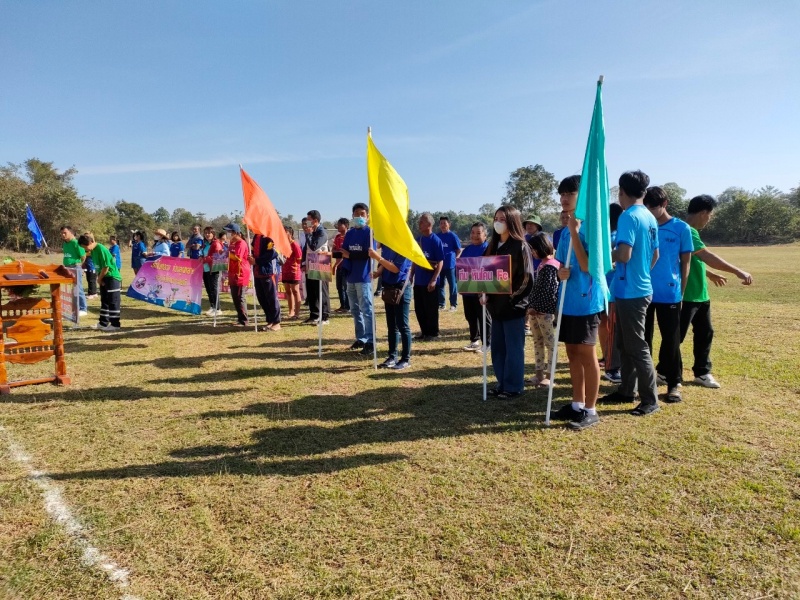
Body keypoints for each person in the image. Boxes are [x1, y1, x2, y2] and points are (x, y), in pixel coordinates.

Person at [600, 170, 661, 418]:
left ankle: (650, 400)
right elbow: (655, 254)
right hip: (639, 288)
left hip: (631, 292)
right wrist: (642, 273)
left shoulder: (628, 216)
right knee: (624, 344)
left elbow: (623, 255)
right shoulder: (649, 216)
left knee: (636, 346)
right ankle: (626, 390)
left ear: (621, 192)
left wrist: (603, 256)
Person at [549, 175, 606, 429]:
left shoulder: (590, 227)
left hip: (586, 301)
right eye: (561, 194)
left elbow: (587, 265)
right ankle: (576, 404)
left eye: (569, 194)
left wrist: (574, 231)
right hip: (567, 300)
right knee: (572, 352)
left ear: (581, 196)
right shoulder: (563, 232)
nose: (564, 198)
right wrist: (560, 272)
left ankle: (591, 410)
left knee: (586, 353)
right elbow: (563, 264)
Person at [681, 194, 753, 388]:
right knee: (676, 337)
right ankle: (666, 372)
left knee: (705, 333)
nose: (709, 219)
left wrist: (709, 274)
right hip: (686, 294)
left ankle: (702, 372)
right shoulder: (687, 230)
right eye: (710, 215)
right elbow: (707, 256)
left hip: (700, 293)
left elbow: (694, 259)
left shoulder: (688, 230)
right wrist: (738, 271)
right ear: (704, 213)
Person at [643, 186, 693, 403]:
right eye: (646, 207)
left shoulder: (681, 228)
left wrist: (681, 292)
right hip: (644, 291)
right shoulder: (645, 225)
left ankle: (674, 384)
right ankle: (645, 383)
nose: (650, 211)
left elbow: (686, 262)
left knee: (671, 340)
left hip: (669, 293)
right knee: (644, 339)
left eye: (653, 207)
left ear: (664, 204)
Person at [481, 205, 533, 399]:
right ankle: (502, 383)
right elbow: (484, 274)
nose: (498, 222)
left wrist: (512, 298)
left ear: (512, 221)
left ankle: (513, 386)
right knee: (498, 349)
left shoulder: (520, 246)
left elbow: (527, 279)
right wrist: (483, 293)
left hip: (513, 307)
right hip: (495, 308)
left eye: (502, 219)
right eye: (496, 219)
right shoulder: (492, 246)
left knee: (513, 349)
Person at [341, 203, 375, 355]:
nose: (359, 217)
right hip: (351, 277)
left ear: (367, 216)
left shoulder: (369, 233)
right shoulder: (349, 234)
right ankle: (361, 338)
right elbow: (344, 252)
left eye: (362, 214)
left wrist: (350, 255)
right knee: (355, 310)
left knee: (366, 310)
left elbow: (368, 253)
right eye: (357, 214)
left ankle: (371, 341)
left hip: (364, 277)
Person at [371, 244, 412, 370]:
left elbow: (395, 269)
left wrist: (377, 257)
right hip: (389, 288)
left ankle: (405, 359)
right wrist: (378, 273)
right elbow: (385, 262)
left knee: (402, 325)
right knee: (392, 326)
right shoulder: (388, 246)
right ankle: (392, 356)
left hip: (401, 289)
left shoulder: (404, 247)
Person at [526, 232, 559, 388]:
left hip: (544, 312)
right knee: (537, 341)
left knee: (550, 343)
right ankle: (538, 374)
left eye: (533, 249)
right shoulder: (542, 265)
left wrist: (537, 307)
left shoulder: (550, 266)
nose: (532, 252)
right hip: (534, 311)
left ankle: (550, 376)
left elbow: (549, 291)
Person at [410, 213, 444, 340]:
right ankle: (424, 332)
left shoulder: (436, 240)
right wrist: (411, 274)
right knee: (419, 308)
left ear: (429, 224)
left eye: (422, 222)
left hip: (430, 281)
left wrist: (434, 279)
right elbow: (415, 260)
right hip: (419, 281)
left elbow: (440, 261)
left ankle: (433, 333)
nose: (419, 224)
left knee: (431, 308)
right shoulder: (418, 240)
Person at [78, 233, 122, 331]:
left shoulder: (101, 249)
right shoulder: (92, 251)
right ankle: (103, 323)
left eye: (85, 247)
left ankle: (115, 324)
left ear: (91, 242)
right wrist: (100, 279)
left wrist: (99, 279)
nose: (85, 249)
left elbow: (106, 267)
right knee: (104, 301)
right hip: (103, 277)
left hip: (112, 277)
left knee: (113, 301)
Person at [600, 204, 624, 384]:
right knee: (609, 324)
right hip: (611, 286)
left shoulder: (606, 234)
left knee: (606, 323)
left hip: (605, 285)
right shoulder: (615, 234)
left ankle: (608, 358)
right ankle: (609, 360)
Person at [460, 222, 490, 351]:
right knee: (470, 316)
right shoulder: (467, 250)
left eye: (478, 233)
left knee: (483, 317)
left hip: (482, 290)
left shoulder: (489, 249)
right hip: (468, 289)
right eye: (473, 233)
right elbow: (460, 267)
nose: (475, 236)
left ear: (485, 235)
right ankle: (474, 340)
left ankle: (487, 343)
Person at [302, 210, 330, 324]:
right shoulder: (311, 232)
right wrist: (303, 263)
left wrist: (308, 234)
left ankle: (325, 316)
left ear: (315, 220)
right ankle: (314, 315)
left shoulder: (322, 232)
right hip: (310, 263)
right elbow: (306, 248)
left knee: (321, 290)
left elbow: (314, 247)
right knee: (311, 290)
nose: (307, 223)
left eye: (309, 220)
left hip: (320, 263)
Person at [250, 232, 281, 331]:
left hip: (268, 271)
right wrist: (251, 257)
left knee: (271, 297)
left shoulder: (270, 236)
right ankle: (270, 320)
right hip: (257, 271)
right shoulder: (256, 236)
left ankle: (276, 322)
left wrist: (257, 261)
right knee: (261, 297)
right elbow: (252, 249)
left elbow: (272, 253)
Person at [223, 223, 250, 327]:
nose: (228, 234)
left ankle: (244, 320)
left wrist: (226, 253)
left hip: (240, 272)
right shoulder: (232, 243)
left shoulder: (241, 243)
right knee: (235, 297)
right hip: (232, 272)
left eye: (229, 232)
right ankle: (240, 318)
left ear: (235, 232)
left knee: (239, 297)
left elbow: (238, 257)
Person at [59, 226, 88, 317]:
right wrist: (51, 249)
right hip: (67, 267)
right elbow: (63, 250)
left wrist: (80, 267)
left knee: (78, 288)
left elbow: (83, 256)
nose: (63, 235)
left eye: (65, 233)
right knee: (70, 289)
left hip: (75, 267)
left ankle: (83, 308)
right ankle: (75, 307)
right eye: (62, 233)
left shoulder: (76, 243)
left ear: (71, 233)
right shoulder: (65, 243)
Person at [436, 216, 462, 311]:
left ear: (449, 224)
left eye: (445, 223)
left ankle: (453, 304)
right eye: (441, 223)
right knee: (440, 284)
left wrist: (455, 259)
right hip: (440, 264)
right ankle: (442, 304)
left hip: (450, 264)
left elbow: (458, 250)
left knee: (452, 284)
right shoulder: (437, 236)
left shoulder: (453, 236)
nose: (443, 225)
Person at [200, 226, 223, 315]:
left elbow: (217, 256)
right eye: (205, 233)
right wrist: (201, 257)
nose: (207, 234)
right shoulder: (205, 244)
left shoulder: (216, 243)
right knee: (208, 289)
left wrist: (205, 259)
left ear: (213, 234)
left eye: (209, 233)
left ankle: (218, 309)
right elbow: (203, 253)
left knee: (213, 289)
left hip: (213, 269)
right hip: (205, 269)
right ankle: (212, 306)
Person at [282, 226, 303, 320]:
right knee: (287, 291)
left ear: (290, 233)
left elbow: (299, 258)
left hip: (294, 271)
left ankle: (297, 313)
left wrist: (293, 264)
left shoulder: (294, 244)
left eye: (285, 232)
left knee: (295, 291)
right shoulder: (283, 244)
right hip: (285, 270)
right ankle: (291, 311)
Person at [332, 218, 350, 313]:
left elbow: (345, 254)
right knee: (339, 286)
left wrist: (335, 264)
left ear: (346, 225)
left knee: (345, 286)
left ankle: (347, 306)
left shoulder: (349, 236)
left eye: (340, 225)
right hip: (339, 266)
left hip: (346, 266)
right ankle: (342, 306)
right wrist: (339, 253)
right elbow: (333, 250)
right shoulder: (337, 237)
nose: (338, 226)